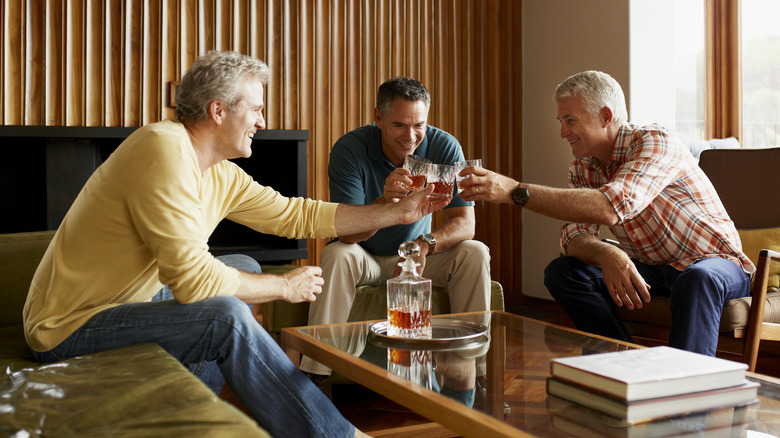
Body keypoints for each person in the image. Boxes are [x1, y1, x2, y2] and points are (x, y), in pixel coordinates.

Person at [22, 51, 450, 438]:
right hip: (71, 326)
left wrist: (397, 213)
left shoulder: (217, 171)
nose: (263, 121)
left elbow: (293, 214)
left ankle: (194, 405)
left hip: (128, 301)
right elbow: (192, 282)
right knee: (224, 314)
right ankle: (336, 436)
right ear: (219, 110)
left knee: (243, 264)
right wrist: (284, 287)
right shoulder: (162, 149)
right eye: (257, 109)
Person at [458, 70, 755, 357]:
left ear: (605, 116)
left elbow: (611, 206)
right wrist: (605, 254)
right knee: (562, 273)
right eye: (561, 121)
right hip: (654, 269)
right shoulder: (583, 166)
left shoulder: (656, 141)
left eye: (570, 120)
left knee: (696, 279)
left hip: (717, 265)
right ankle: (623, 362)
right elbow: (572, 237)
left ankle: (687, 393)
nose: (563, 132)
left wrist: (514, 191)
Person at [299, 77, 492, 378]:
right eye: (399, 125)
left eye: (419, 125)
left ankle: (474, 374)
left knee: (475, 252)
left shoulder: (443, 145)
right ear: (378, 117)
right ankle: (317, 375)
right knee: (336, 254)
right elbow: (347, 233)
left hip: (416, 257)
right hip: (365, 257)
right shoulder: (350, 149)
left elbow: (465, 224)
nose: (411, 136)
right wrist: (385, 204)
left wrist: (425, 244)